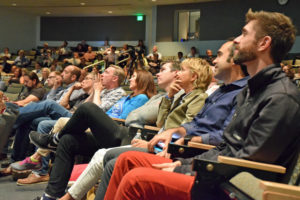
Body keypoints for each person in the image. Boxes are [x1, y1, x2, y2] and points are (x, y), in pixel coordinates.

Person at [103, 9, 300, 200]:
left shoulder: (281, 97)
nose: (237, 40)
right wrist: (186, 163)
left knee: (136, 180)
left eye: (244, 34)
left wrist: (186, 168)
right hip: (216, 172)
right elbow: (226, 146)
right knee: (127, 161)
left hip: (230, 187)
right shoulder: (252, 90)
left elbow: (248, 162)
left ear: (264, 43)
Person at [94, 40, 249, 200]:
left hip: (193, 153)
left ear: (235, 59)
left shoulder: (238, 93)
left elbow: (223, 138)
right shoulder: (218, 91)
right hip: (178, 147)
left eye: (219, 55)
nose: (214, 60)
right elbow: (184, 124)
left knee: (129, 174)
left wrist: (181, 141)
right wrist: (175, 131)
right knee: (123, 160)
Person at [29, 70, 156, 200]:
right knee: (68, 140)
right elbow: (105, 113)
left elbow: (125, 119)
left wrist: (97, 96)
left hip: (122, 135)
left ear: (142, 80)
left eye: (133, 76)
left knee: (87, 109)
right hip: (107, 130)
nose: (129, 79)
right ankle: (50, 196)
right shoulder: (127, 98)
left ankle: (53, 141)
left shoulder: (142, 98)